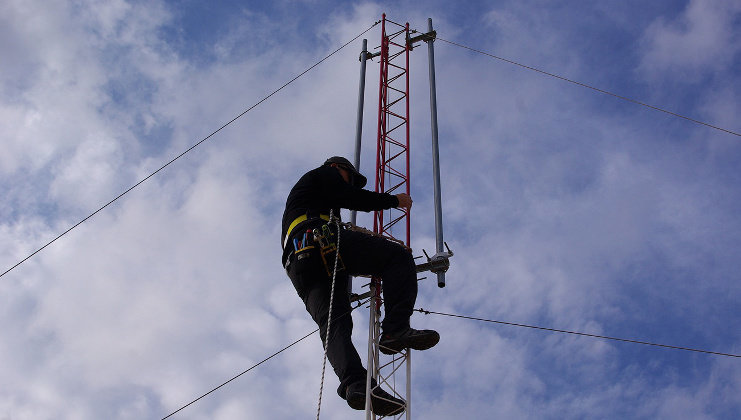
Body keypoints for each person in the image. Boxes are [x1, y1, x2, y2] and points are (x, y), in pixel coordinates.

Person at [281, 156, 440, 415]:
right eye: (350, 178)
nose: (352, 184)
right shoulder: (323, 174)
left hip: (298, 262)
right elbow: (349, 196)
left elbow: (342, 203)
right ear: (337, 168)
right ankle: (394, 331)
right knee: (397, 258)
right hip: (321, 241)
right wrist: (393, 201)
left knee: (333, 322)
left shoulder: (309, 199)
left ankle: (356, 385)